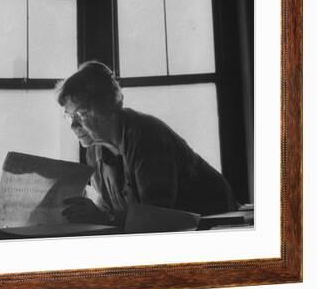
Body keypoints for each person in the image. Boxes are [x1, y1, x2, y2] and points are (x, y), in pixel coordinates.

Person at [56, 61, 238, 229]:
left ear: (106, 107)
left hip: (216, 224)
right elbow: (109, 209)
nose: (73, 125)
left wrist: (103, 219)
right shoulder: (94, 150)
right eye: (69, 116)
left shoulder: (147, 137)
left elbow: (154, 219)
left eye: (80, 114)